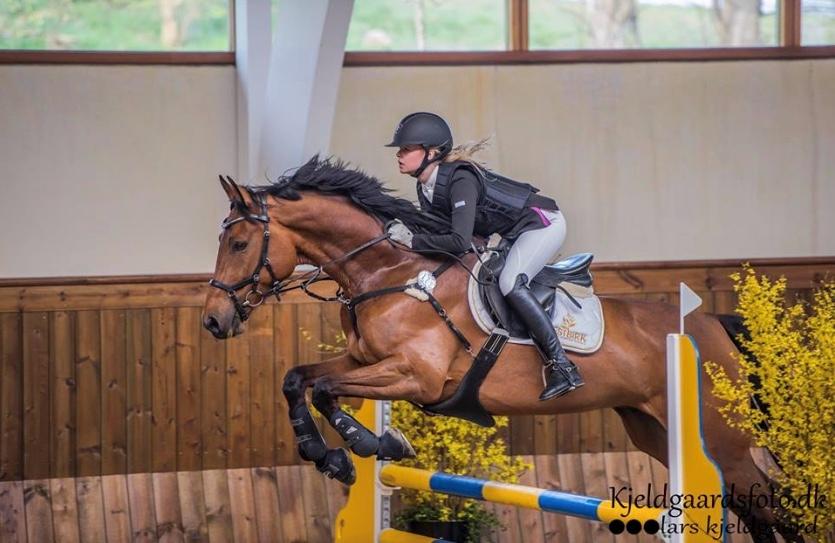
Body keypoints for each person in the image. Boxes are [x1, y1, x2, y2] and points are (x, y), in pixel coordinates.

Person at [384, 112, 584, 401]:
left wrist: (411, 239)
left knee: (510, 283)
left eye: (406, 149)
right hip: (513, 231)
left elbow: (458, 240)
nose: (399, 155)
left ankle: (562, 366)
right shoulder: (426, 186)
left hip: (542, 223)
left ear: (431, 152)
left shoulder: (459, 179)